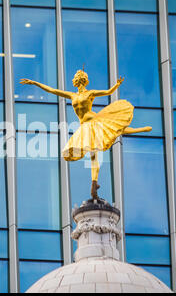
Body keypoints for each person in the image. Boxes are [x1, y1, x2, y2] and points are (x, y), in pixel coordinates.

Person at [20, 69, 152, 199]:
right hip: (85, 126)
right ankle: (94, 183)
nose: (77, 80)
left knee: (112, 132)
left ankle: (139, 130)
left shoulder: (90, 94)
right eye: (77, 79)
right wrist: (35, 83)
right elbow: (53, 90)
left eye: (78, 78)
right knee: (95, 151)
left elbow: (108, 92)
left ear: (81, 80)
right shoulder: (72, 95)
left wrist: (116, 85)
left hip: (93, 121)